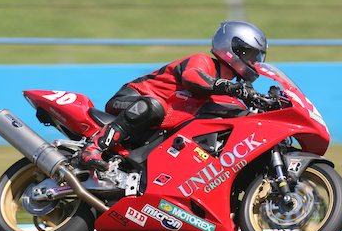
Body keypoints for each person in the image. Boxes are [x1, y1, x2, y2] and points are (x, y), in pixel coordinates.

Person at [79, 20, 268, 171]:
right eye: (251, 55)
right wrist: (231, 87)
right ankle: (93, 148)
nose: (254, 63)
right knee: (153, 106)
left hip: (158, 125)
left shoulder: (226, 93)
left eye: (257, 58)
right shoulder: (202, 62)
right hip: (131, 100)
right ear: (234, 49)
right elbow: (193, 78)